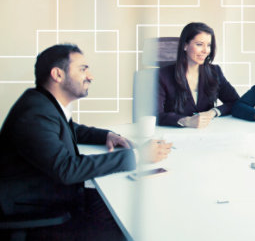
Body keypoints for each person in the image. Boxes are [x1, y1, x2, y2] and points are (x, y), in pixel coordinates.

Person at [0, 44, 172, 240]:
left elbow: (70, 129)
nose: (90, 76)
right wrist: (138, 156)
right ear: (57, 74)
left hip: (55, 196)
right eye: (83, 69)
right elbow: (67, 169)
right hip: (38, 211)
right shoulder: (35, 115)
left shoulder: (43, 104)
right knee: (131, 229)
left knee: (120, 206)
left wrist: (107, 136)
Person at [157, 22, 239, 128]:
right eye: (199, 44)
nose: (205, 51)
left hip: (205, 135)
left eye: (209, 45)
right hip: (175, 135)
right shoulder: (162, 75)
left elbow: (235, 102)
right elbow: (155, 115)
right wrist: (185, 121)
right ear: (185, 45)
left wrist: (213, 112)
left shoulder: (215, 72)